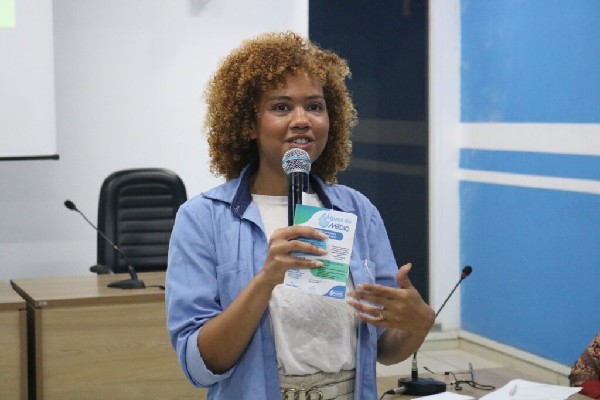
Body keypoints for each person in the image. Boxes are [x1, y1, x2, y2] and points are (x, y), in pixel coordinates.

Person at [165, 31, 435, 400]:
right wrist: (265, 280)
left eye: (315, 106)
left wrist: (418, 323)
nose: (302, 120)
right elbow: (200, 366)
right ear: (248, 124)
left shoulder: (357, 210)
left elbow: (385, 348)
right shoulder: (203, 218)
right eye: (281, 107)